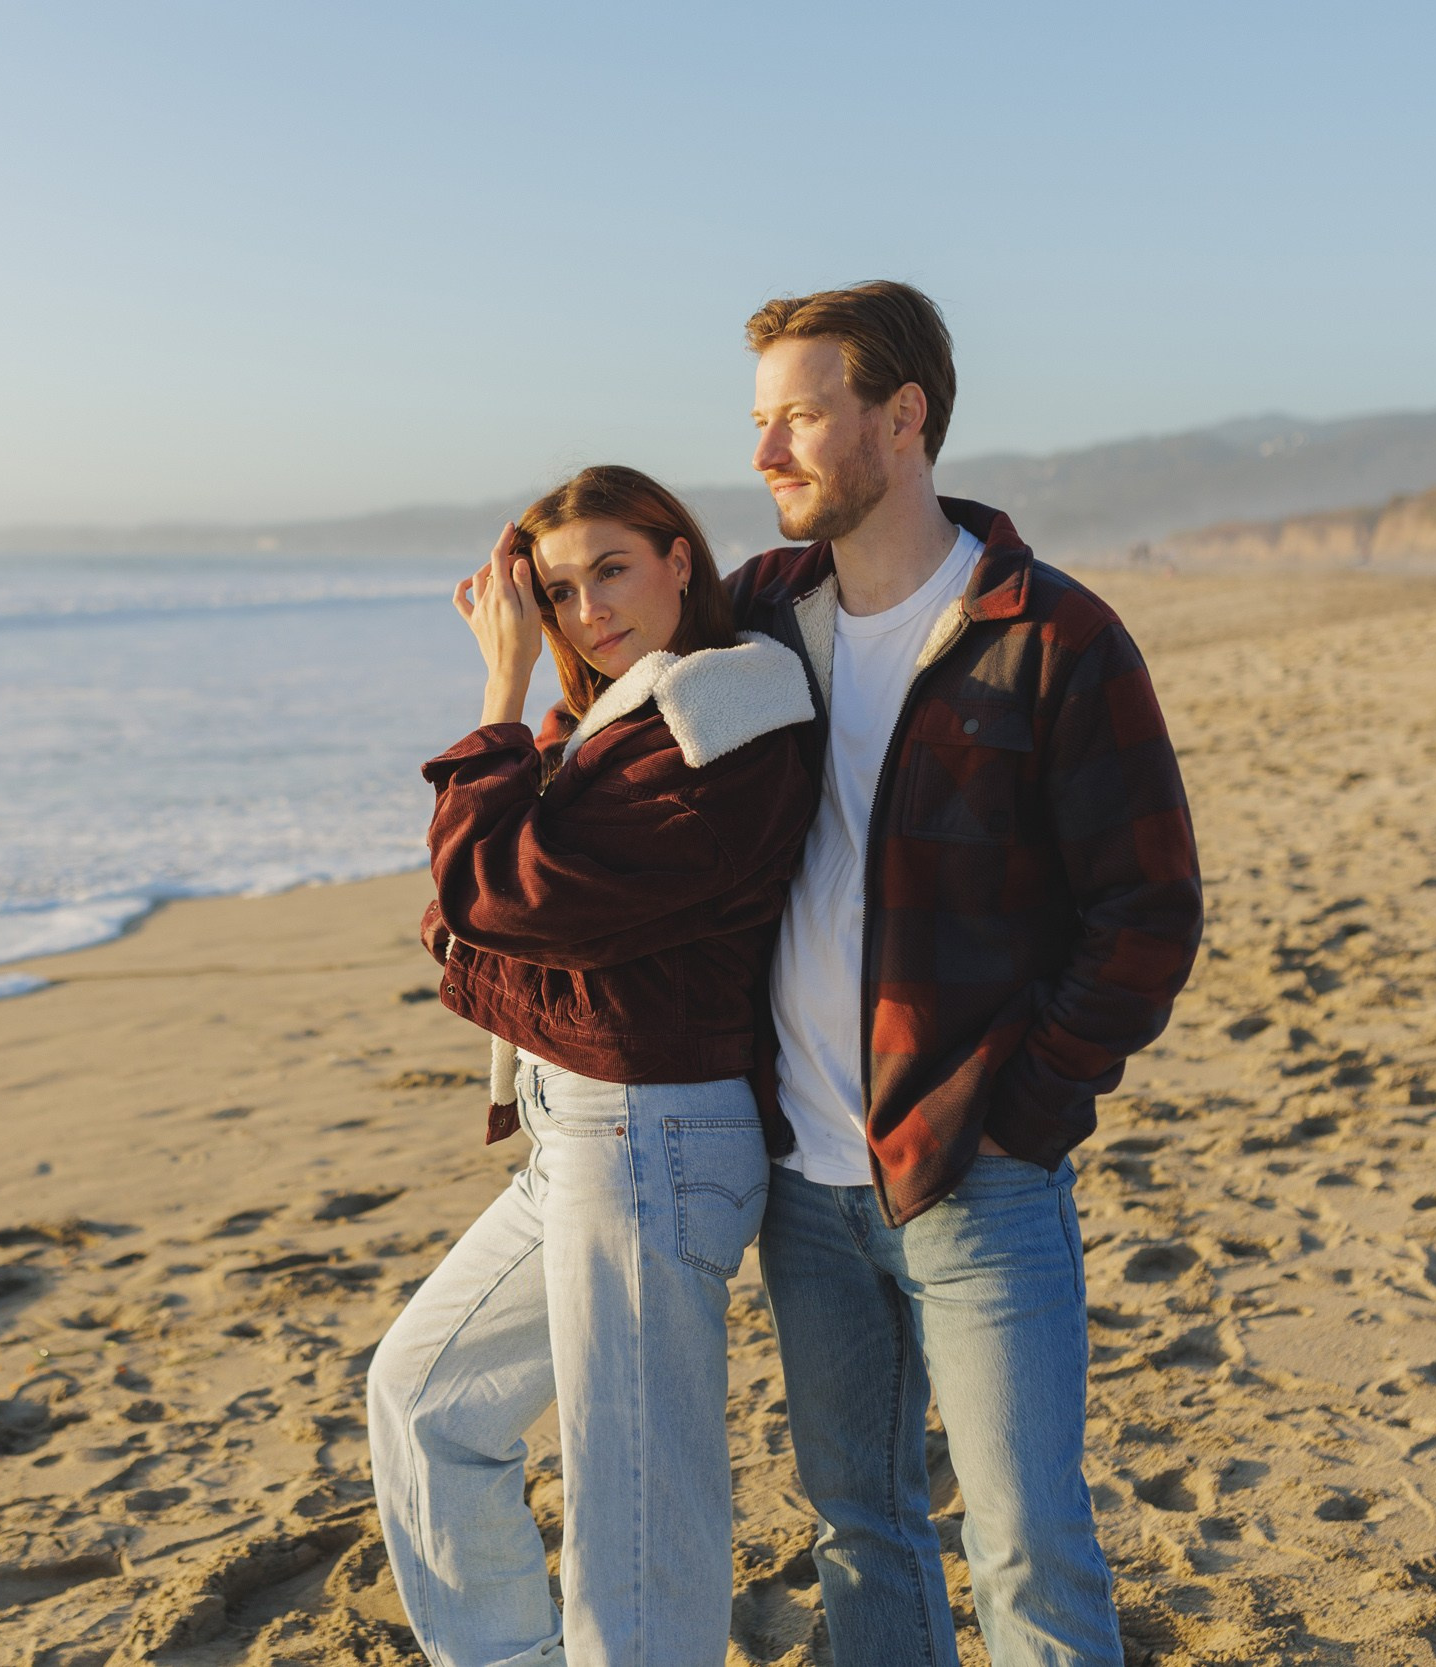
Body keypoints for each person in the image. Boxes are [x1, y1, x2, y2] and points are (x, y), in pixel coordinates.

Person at [725, 282, 1205, 1665]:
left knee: (1029, 1544)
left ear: (904, 416)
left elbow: (1149, 909)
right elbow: (621, 725)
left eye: (801, 418)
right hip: (804, 1185)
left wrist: (1027, 1105)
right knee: (860, 1529)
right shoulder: (761, 616)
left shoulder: (1055, 634)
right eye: (760, 423)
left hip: (977, 1170)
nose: (766, 456)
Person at [367, 465, 821, 1667]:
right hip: (580, 1132)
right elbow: (494, 909)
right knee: (424, 1403)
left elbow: (486, 896)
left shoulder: (729, 710)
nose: (587, 608)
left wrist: (498, 686)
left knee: (635, 1515)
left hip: (655, 1137)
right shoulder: (610, 728)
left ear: (681, 558)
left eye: (611, 568)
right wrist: (485, 918)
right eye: (554, 590)